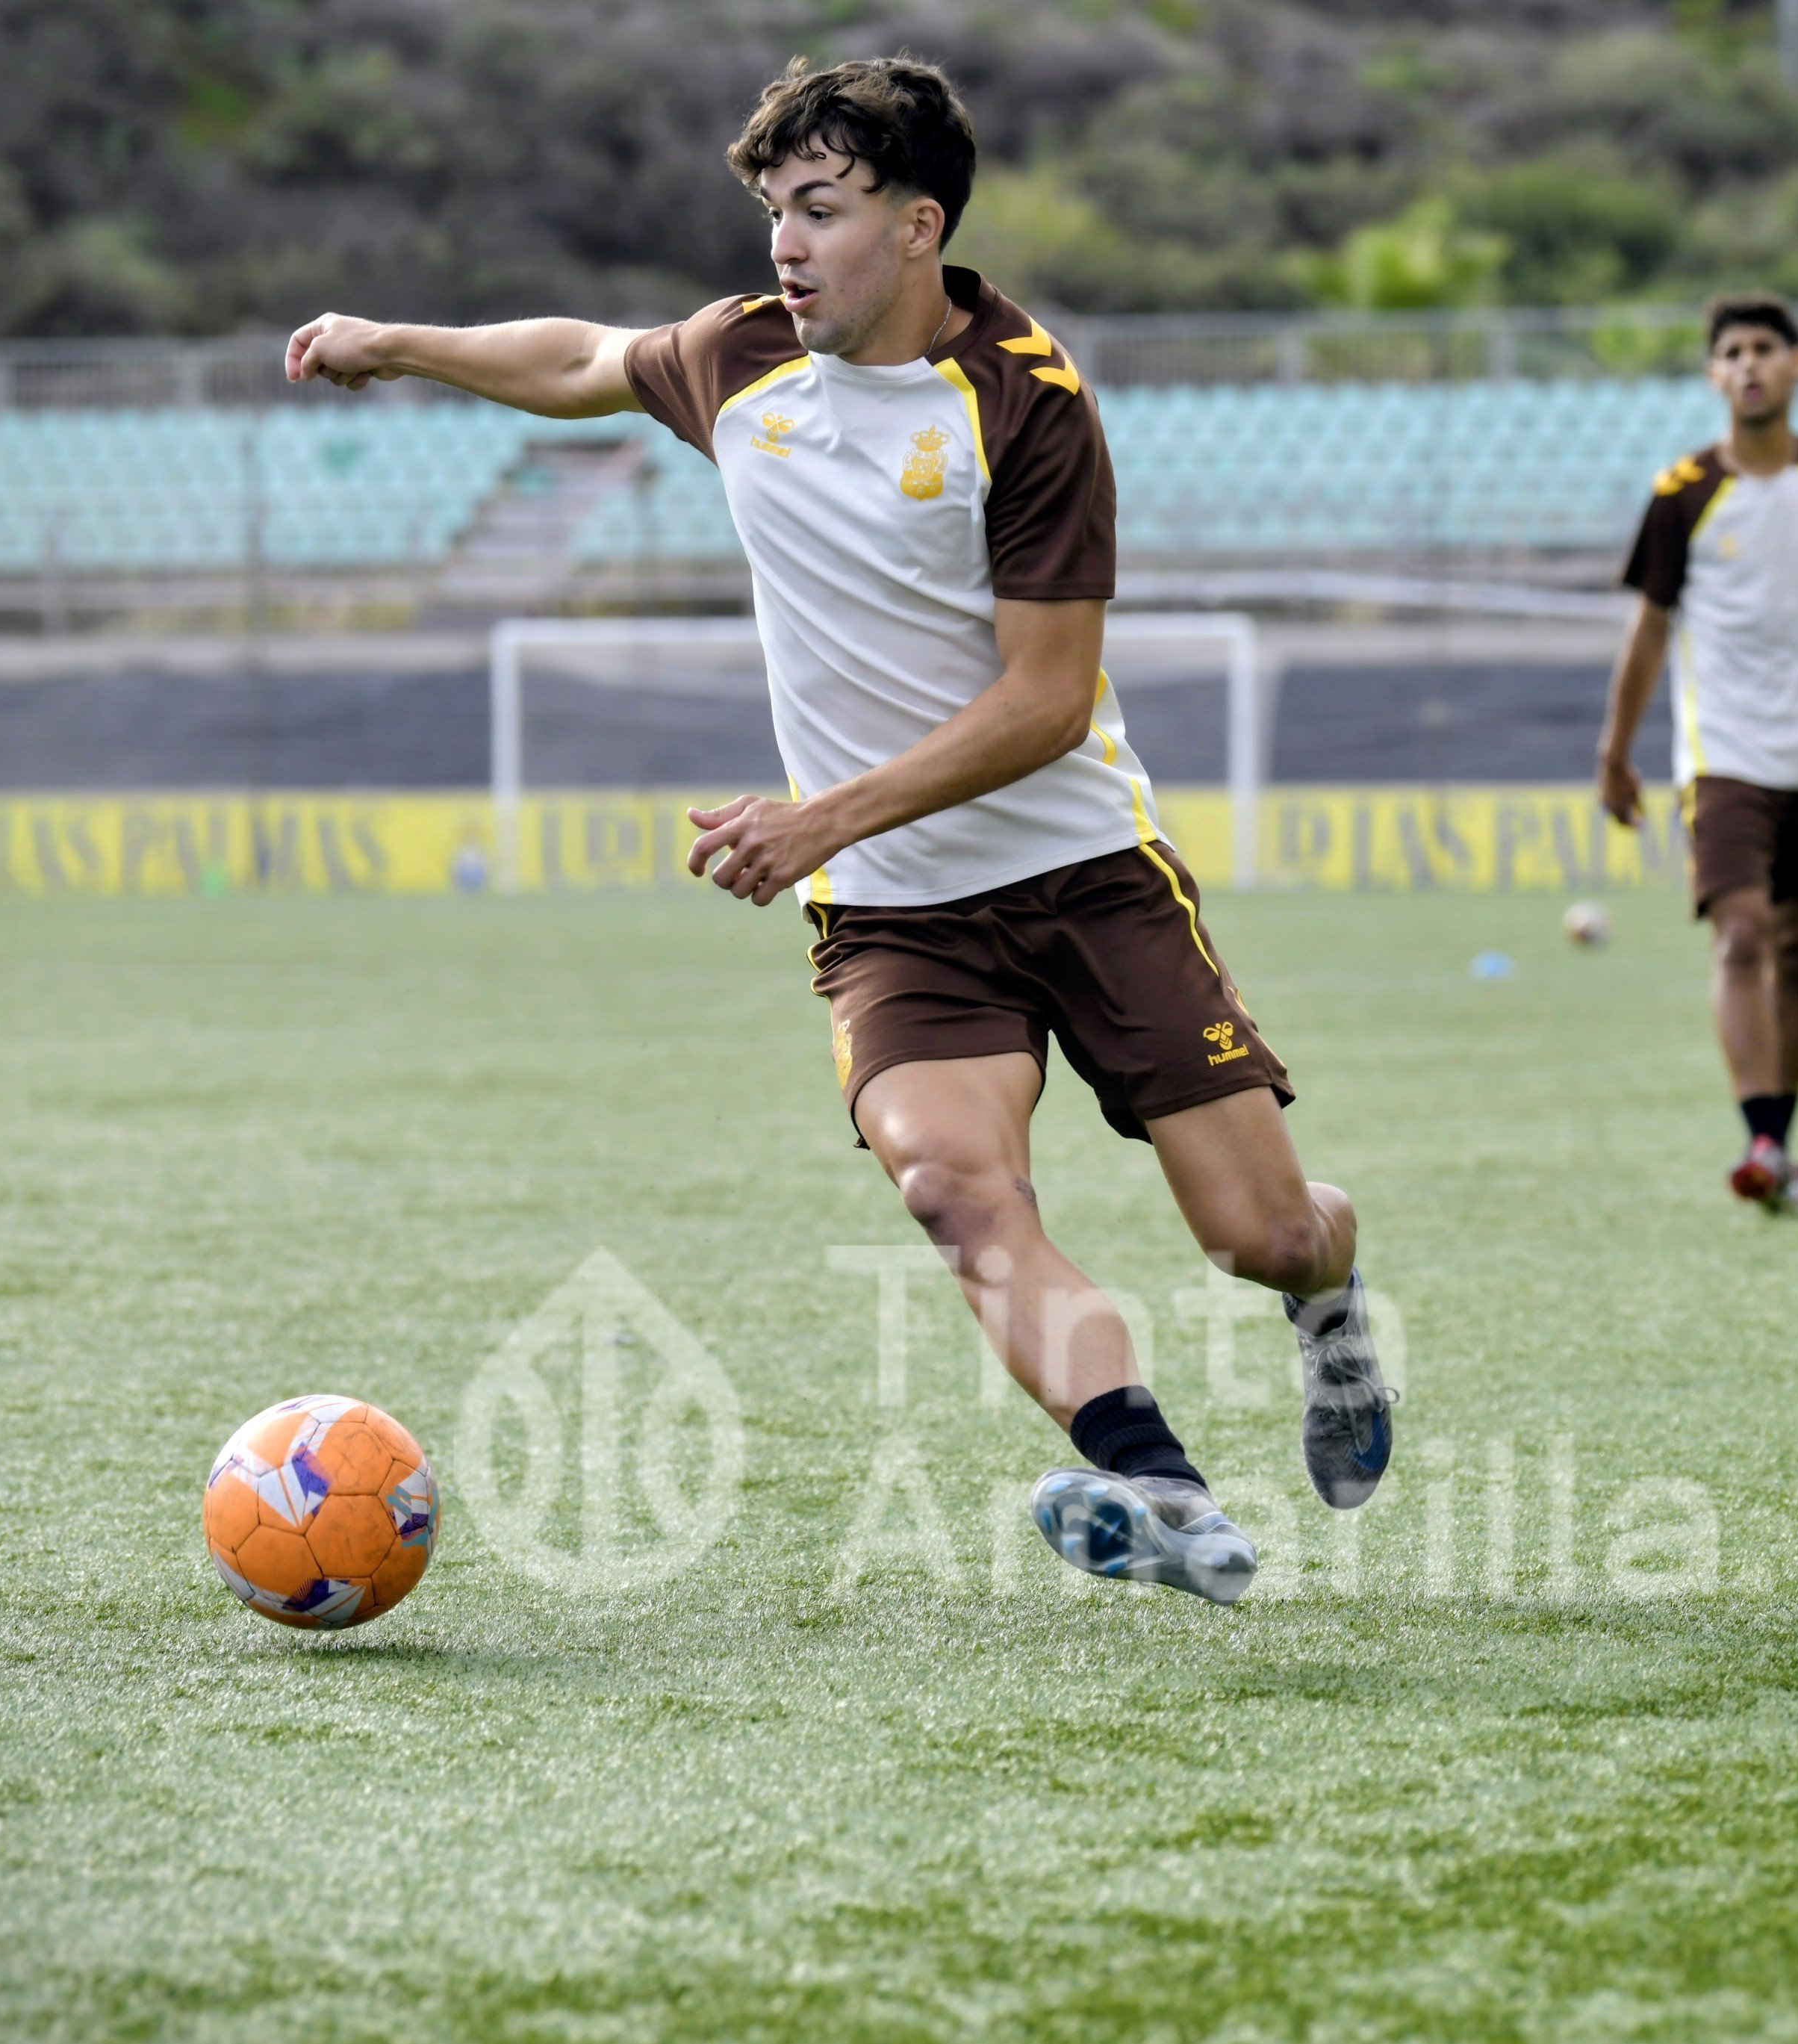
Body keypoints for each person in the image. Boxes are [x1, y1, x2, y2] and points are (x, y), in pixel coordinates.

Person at [283, 55, 1393, 1603]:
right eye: (770, 216)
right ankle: (1166, 1496)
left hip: (1086, 877)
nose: (783, 249)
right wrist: (396, 345)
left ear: (918, 224)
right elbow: (582, 358)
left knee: (1260, 1234)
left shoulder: (1027, 402)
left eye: (819, 212)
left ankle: (1333, 1312)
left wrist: (819, 818)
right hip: (893, 915)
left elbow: (1048, 703)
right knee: (954, 1190)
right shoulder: (742, 362)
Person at [1596, 293, 1798, 1211]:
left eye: (1763, 349)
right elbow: (1648, 632)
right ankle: (1760, 1139)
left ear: (1797, 366)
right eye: (1731, 352)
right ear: (1714, 375)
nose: (1747, 365)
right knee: (1741, 933)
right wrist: (1614, 751)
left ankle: (1778, 1139)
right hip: (1726, 755)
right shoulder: (1682, 495)